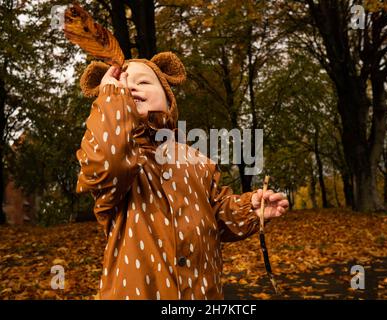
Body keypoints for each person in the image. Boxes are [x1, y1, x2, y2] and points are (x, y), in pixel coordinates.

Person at [75, 52, 289, 300]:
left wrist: (249, 210)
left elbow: (216, 213)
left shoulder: (196, 160)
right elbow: (107, 163)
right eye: (121, 83)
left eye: (143, 82)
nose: (130, 86)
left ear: (169, 100)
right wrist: (111, 99)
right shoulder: (122, 158)